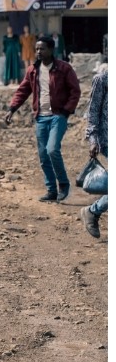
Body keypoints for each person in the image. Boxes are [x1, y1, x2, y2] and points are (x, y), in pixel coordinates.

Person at [4, 36, 82, 203]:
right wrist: (12, 109)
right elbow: (22, 91)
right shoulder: (33, 70)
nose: (38, 52)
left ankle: (63, 184)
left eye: (42, 49)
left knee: (52, 149)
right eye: (37, 49)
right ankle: (51, 191)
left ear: (51, 49)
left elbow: (75, 91)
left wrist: (66, 112)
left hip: (57, 116)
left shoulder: (64, 68)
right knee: (43, 156)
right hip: (40, 117)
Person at [80, 66, 106, 238]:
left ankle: (92, 211)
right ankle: (93, 211)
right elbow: (93, 112)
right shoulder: (103, 80)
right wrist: (93, 140)